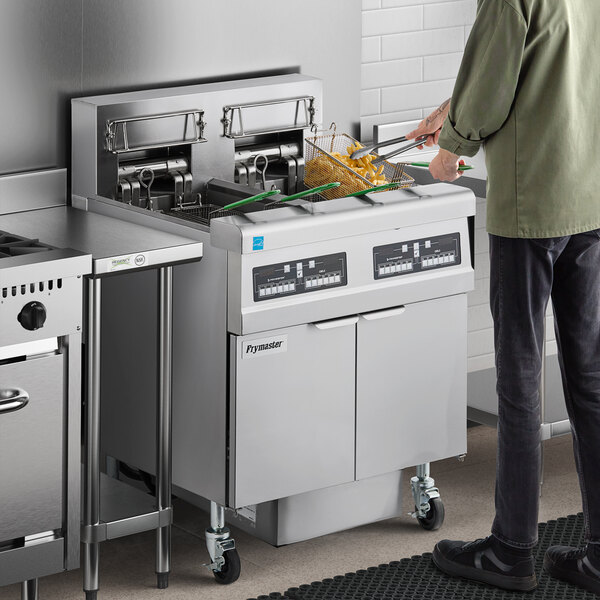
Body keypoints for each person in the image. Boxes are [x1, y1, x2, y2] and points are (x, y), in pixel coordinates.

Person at [405, 0, 600, 595]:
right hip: (589, 194)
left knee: (519, 383)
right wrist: (451, 108)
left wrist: (452, 145)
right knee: (591, 379)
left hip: (529, 204)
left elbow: (493, 83)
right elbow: (544, 66)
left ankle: (511, 551)